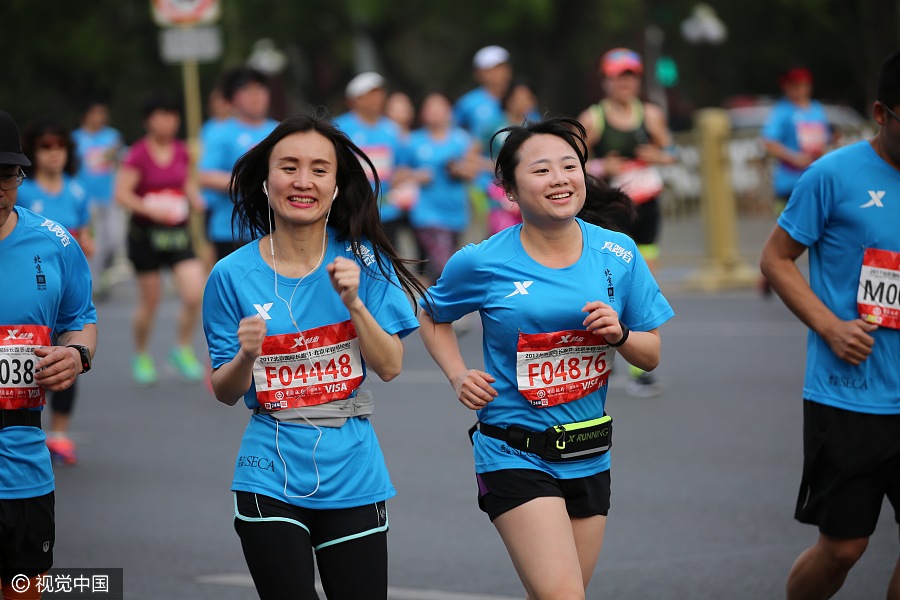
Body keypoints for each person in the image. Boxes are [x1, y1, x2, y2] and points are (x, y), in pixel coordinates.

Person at [417, 117, 672, 599]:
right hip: (512, 451)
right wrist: (457, 375)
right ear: (510, 190)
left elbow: (652, 353)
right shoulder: (483, 260)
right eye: (541, 170)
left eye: (569, 166)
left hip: (588, 451)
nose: (559, 179)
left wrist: (619, 335)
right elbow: (432, 316)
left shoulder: (618, 253)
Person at [202, 110, 428, 600]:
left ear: (335, 185)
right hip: (269, 470)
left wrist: (354, 304)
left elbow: (390, 366)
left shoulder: (365, 261)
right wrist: (246, 357)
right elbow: (223, 391)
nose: (302, 181)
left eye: (319, 170)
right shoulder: (229, 275)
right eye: (289, 166)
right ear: (266, 180)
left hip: (354, 469)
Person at [759, 49, 900, 600]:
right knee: (844, 548)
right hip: (850, 394)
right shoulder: (833, 175)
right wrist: (828, 325)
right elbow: (775, 258)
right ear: (882, 113)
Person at [0, 109, 96, 598]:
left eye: (7, 174)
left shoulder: (55, 242)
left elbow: (81, 317)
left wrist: (77, 355)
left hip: (24, 464)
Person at [577, 47, 676, 398]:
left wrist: (657, 155)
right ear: (606, 81)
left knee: (643, 280)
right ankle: (606, 348)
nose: (625, 83)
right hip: (611, 209)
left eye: (630, 76)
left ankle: (639, 367)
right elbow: (575, 163)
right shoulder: (593, 117)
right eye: (619, 77)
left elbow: (672, 153)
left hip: (646, 205)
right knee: (610, 280)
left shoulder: (649, 114)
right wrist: (606, 168)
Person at [115, 94, 206, 386]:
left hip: (177, 233)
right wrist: (151, 209)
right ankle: (141, 354)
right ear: (148, 121)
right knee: (151, 300)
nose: (167, 122)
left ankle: (181, 348)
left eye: (171, 115)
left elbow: (187, 182)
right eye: (160, 115)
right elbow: (122, 194)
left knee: (195, 292)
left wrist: (194, 198)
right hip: (146, 236)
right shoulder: (138, 154)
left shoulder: (182, 151)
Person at [17, 119, 93, 465]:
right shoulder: (24, 191)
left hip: (63, 284)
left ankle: (59, 433)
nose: (53, 153)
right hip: (28, 285)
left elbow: (84, 234)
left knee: (66, 353)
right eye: (45, 146)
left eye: (59, 146)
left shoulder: (77, 190)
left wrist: (86, 245)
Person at [758, 66, 832, 296]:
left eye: (801, 85)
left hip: (816, 181)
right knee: (785, 232)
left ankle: (819, 283)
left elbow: (824, 140)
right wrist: (794, 157)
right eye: (793, 86)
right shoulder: (782, 111)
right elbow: (768, 142)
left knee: (822, 231)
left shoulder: (817, 110)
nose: (798, 90)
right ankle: (770, 270)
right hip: (790, 184)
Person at [400, 92, 480, 284]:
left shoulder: (462, 139)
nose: (435, 112)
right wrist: (417, 175)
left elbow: (473, 171)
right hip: (426, 213)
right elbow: (399, 173)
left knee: (440, 264)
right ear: (423, 113)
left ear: (450, 111)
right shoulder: (413, 141)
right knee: (445, 263)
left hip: (455, 213)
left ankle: (431, 303)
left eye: (440, 107)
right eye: (430, 108)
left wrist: (460, 170)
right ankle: (450, 303)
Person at [199, 67, 278, 262]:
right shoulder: (220, 132)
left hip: (274, 228)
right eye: (248, 91)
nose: (256, 96)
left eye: (260, 89)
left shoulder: (280, 130)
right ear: (233, 98)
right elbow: (205, 175)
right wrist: (251, 183)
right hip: (232, 229)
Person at [333, 72, 412, 254]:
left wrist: (401, 178)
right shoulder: (339, 128)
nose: (375, 99)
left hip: (387, 211)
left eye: (378, 93)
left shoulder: (392, 130)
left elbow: (401, 166)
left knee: (389, 260)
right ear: (354, 100)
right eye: (368, 95)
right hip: (352, 211)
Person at [71, 98, 124, 300]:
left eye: (103, 113)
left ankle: (104, 272)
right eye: (96, 113)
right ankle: (94, 282)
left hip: (110, 196)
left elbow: (122, 163)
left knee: (115, 240)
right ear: (86, 115)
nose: (100, 117)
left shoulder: (112, 137)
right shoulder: (75, 139)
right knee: (96, 243)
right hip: (87, 199)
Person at [483, 78, 540, 234]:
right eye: (516, 97)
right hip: (500, 194)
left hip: (530, 193)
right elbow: (472, 155)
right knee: (504, 237)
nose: (521, 102)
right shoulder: (495, 126)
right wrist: (492, 165)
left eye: (526, 97)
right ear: (507, 99)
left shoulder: (538, 129)